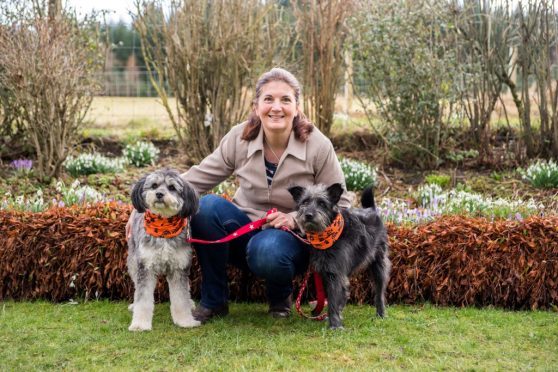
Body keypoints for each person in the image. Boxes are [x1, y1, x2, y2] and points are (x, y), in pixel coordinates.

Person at [128, 67, 350, 322]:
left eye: (285, 100)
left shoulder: (318, 145)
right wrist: (139, 209)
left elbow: (341, 204)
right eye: (268, 99)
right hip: (244, 232)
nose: (276, 107)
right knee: (207, 206)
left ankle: (280, 297)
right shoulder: (240, 137)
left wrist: (295, 219)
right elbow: (195, 181)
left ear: (297, 107)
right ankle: (214, 301)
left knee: (269, 250)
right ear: (256, 106)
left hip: (293, 242)